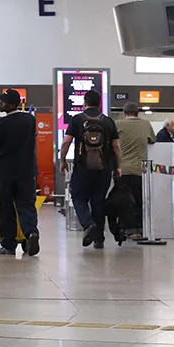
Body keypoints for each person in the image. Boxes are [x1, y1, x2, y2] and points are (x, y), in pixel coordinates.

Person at [59, 90, 121, 250]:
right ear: (100, 104)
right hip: (104, 167)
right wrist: (118, 166)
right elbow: (116, 146)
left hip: (83, 167)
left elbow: (66, 142)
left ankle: (88, 224)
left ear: (84, 103)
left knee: (78, 197)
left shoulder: (77, 119)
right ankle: (99, 239)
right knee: (98, 201)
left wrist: (63, 160)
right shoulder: (108, 121)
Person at [0, 89, 40, 256]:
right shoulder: (30, 120)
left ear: (11, 104)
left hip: (6, 171)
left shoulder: (2, 123)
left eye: (2, 102)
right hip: (26, 170)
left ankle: (8, 244)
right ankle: (31, 232)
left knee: (6, 207)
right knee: (26, 204)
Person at [115, 102, 156, 240]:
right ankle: (140, 228)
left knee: (125, 201)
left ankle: (128, 229)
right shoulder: (145, 124)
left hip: (123, 169)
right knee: (139, 200)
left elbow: (113, 144)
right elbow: (152, 140)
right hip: (140, 170)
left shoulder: (118, 124)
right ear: (137, 113)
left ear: (124, 112)